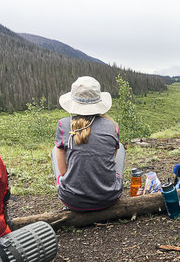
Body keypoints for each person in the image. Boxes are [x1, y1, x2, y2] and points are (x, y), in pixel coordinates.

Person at [51, 76, 125, 211]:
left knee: (56, 149)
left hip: (72, 201)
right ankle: (108, 185)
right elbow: (111, 161)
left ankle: (71, 187)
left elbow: (62, 171)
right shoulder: (112, 126)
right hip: (109, 198)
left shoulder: (63, 124)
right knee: (121, 148)